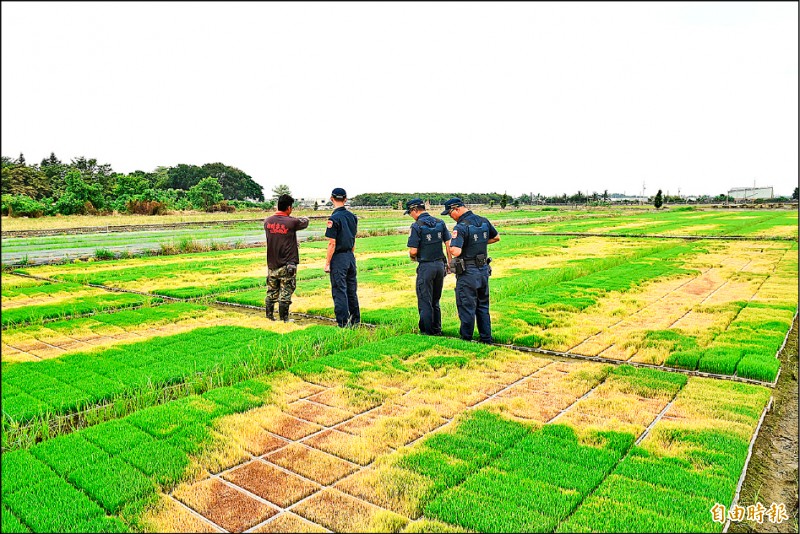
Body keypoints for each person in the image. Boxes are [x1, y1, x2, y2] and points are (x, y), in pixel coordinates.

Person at [443, 197, 500, 343]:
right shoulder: (483, 220)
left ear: (456, 209)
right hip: (483, 270)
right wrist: (478, 242)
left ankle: (466, 338)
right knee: (482, 306)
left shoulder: (461, 226)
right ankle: (486, 338)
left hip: (468, 272)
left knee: (466, 306)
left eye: (450, 214)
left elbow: (455, 250)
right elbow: (496, 237)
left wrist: (451, 245)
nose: (451, 217)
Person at [405, 198, 451, 335]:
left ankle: (427, 331)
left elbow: (413, 251)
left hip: (426, 267)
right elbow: (448, 243)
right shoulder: (439, 222)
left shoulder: (416, 226)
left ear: (414, 210)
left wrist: (413, 258)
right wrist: (449, 263)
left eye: (410, 213)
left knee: (425, 300)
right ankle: (437, 329)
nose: (411, 216)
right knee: (435, 300)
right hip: (439, 265)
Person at [264, 194, 309, 321]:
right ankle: (284, 319)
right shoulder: (292, 222)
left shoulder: (267, 221)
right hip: (287, 264)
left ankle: (269, 317)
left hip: (272, 263)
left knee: (271, 291)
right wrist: (305, 217)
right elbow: (305, 222)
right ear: (289, 207)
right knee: (286, 292)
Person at [324, 187, 360, 327]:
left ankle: (343, 323)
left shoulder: (333, 219)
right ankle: (355, 320)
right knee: (352, 290)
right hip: (350, 256)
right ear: (345, 199)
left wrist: (327, 263)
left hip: (338, 258)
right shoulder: (352, 217)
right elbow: (353, 239)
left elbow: (332, 243)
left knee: (339, 290)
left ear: (331, 199)